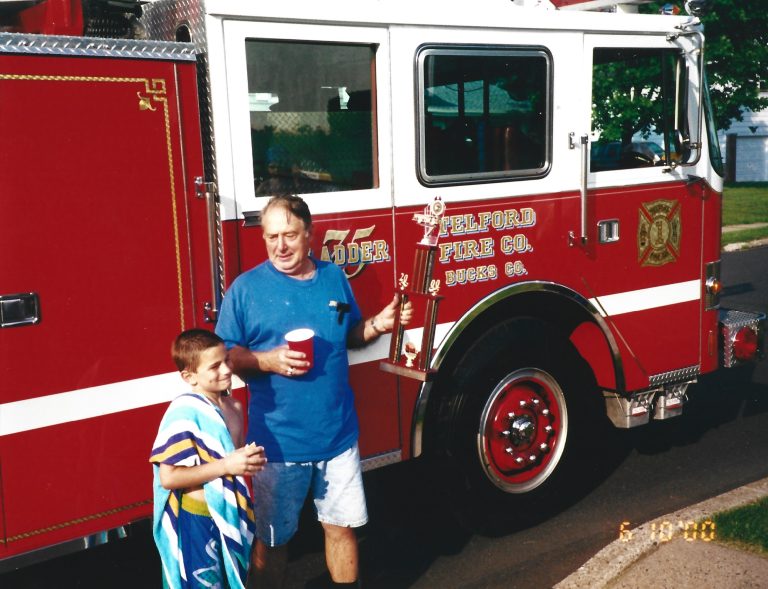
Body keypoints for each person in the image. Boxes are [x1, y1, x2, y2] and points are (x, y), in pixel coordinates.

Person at [215, 194, 412, 588]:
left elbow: (350, 335)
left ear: (309, 235)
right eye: (271, 237)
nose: (280, 246)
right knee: (273, 541)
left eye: (289, 235)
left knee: (340, 529)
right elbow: (227, 357)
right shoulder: (245, 289)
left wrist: (378, 324)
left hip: (338, 437)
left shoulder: (334, 277)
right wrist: (267, 361)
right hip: (277, 447)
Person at [150, 329, 268, 589]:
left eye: (226, 360)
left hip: (232, 513)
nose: (226, 370)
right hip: (199, 518)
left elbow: (233, 465)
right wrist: (227, 464)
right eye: (214, 366)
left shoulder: (235, 408)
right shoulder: (183, 412)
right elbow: (169, 478)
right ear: (189, 376)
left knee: (234, 580)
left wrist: (248, 462)